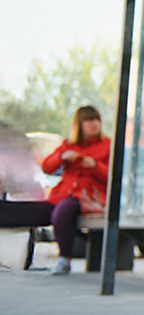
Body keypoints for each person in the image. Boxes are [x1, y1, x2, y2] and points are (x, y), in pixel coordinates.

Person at [37, 106, 111, 275]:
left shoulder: (107, 145)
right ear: (79, 124)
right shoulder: (68, 144)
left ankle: (64, 260)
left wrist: (96, 166)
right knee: (35, 211)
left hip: (90, 197)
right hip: (62, 195)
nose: (94, 124)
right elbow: (47, 166)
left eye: (97, 119)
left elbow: (114, 177)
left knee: (61, 213)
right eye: (89, 120)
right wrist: (61, 157)